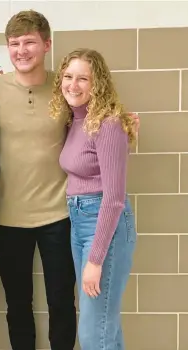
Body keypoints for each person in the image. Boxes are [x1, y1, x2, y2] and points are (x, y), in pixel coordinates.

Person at [0, 10, 77, 350]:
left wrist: (122, 123)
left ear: (47, 44)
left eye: (29, 42)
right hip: (7, 216)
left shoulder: (65, 85)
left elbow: (93, 122)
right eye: (14, 44)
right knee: (18, 304)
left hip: (58, 214)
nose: (21, 50)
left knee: (61, 301)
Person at [49, 48, 137, 349]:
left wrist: (96, 259)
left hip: (104, 224)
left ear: (97, 83)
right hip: (79, 222)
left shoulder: (108, 124)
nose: (73, 84)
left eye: (83, 78)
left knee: (92, 332)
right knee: (104, 327)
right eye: (68, 76)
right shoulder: (75, 121)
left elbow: (113, 198)